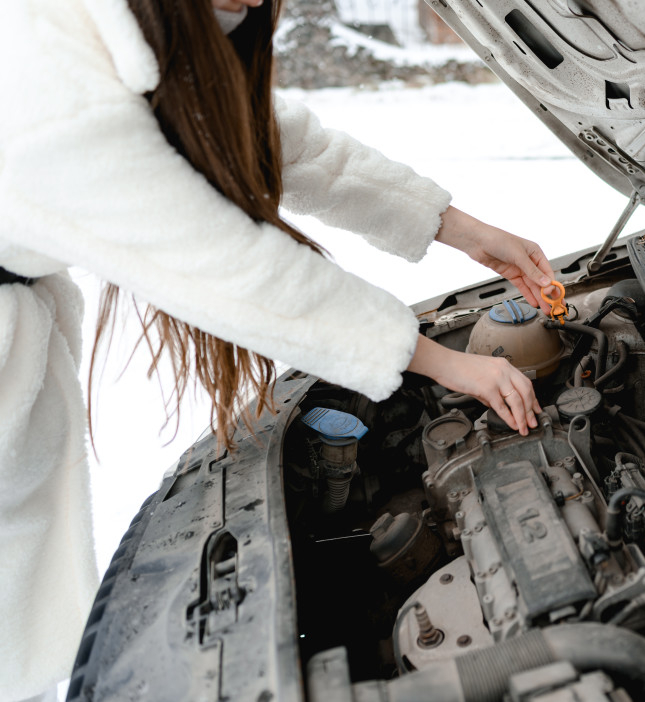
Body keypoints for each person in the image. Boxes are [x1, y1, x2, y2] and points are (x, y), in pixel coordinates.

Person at [0, 0, 554, 698]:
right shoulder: (49, 84)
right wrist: (447, 363)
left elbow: (283, 142)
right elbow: (227, 267)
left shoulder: (138, 28)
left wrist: (465, 230)